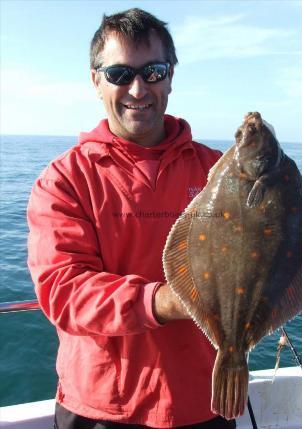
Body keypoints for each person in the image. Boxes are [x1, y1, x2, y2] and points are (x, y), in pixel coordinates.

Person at [27, 8, 236, 429]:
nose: (138, 88)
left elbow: (265, 243)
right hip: (102, 407)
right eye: (120, 73)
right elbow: (63, 291)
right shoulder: (64, 180)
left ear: (171, 77)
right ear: (95, 80)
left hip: (206, 399)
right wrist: (164, 301)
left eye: (153, 71)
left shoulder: (222, 171)